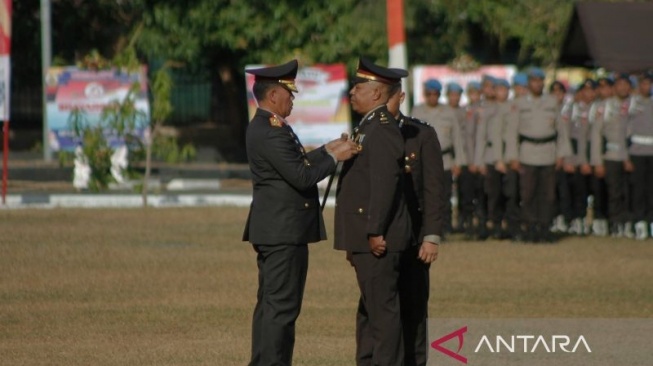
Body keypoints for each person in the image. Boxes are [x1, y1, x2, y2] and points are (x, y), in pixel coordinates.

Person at [242, 59, 358, 366]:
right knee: (281, 307)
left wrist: (328, 149)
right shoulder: (271, 131)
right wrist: (334, 158)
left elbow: (299, 164)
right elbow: (302, 176)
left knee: (271, 305)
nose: (293, 99)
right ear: (274, 95)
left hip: (277, 229)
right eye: (289, 93)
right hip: (283, 231)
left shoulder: (271, 127)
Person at [334, 57, 412, 366]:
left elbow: (385, 185)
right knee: (370, 309)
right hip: (364, 234)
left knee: (383, 313)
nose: (352, 92)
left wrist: (374, 229)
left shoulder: (381, 129)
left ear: (377, 94)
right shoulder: (367, 126)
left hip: (377, 236)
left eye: (358, 87)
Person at [388, 81, 446, 366]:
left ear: (401, 97)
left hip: (414, 236)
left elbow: (434, 189)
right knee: (379, 310)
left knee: (414, 308)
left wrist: (432, 235)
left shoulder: (421, 133)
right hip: (381, 238)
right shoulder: (367, 132)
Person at [507, 67, 571, 243]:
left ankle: (544, 227)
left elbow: (561, 130)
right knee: (528, 194)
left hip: (548, 152)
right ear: (528, 83)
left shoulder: (551, 102)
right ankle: (530, 227)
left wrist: (561, 154)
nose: (537, 84)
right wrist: (513, 156)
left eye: (540, 81)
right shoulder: (519, 103)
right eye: (534, 81)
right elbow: (512, 132)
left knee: (547, 194)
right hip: (527, 153)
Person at [412, 79, 466, 237]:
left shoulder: (448, 111)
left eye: (435, 94)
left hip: (445, 160)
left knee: (445, 195)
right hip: (424, 161)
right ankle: (425, 228)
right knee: (424, 196)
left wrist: (459, 162)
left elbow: (457, 138)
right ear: (424, 95)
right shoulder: (418, 111)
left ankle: (445, 227)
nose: (432, 97)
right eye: (429, 94)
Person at [591, 73, 635, 237]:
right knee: (614, 192)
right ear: (614, 87)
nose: (623, 88)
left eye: (626, 84)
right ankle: (615, 222)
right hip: (611, 155)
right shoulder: (606, 106)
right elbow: (596, 134)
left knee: (631, 190)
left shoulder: (634, 105)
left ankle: (629, 223)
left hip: (632, 155)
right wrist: (597, 161)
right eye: (620, 84)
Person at [629, 71, 653, 240]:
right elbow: (625, 128)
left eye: (649, 84)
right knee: (638, 189)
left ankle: (650, 222)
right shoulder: (632, 103)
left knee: (650, 189)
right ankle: (639, 222)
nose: (647, 87)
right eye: (644, 84)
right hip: (637, 152)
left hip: (652, 152)